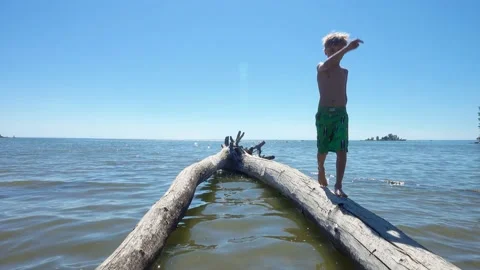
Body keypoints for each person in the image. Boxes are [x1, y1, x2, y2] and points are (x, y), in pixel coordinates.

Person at [315, 32, 363, 198]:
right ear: (326, 50)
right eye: (333, 48)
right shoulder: (322, 66)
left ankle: (338, 185)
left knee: (342, 149)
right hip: (324, 113)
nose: (337, 52)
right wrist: (348, 48)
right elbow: (329, 63)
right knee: (323, 148)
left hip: (341, 114)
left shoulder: (345, 72)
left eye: (340, 48)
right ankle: (320, 168)